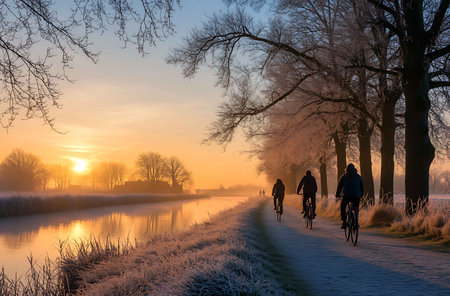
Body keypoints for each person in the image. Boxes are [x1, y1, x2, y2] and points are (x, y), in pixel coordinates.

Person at [336, 163, 364, 229]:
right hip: (356, 196)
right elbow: (362, 186)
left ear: (347, 169)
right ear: (354, 169)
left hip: (346, 196)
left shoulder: (344, 176)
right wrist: (361, 194)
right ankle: (356, 220)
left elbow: (340, 186)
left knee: (343, 206)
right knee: (356, 207)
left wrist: (337, 194)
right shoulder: (358, 176)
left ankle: (344, 222)